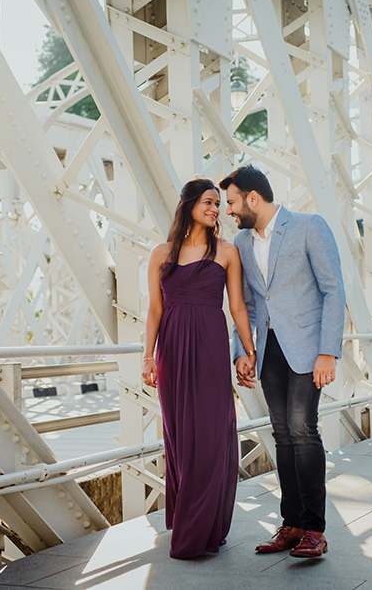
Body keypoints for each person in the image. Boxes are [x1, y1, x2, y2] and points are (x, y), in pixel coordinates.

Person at [220, 164, 345, 559]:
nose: (229, 211)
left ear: (253, 197)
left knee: (302, 428)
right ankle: (291, 525)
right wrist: (243, 352)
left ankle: (315, 530)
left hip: (309, 347)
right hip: (269, 350)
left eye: (232, 202)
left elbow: (333, 290)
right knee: (282, 433)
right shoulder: (241, 243)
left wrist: (328, 351)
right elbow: (250, 305)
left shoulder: (309, 226)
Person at [141, 178, 256, 559]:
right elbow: (155, 310)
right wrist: (147, 356)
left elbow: (238, 307)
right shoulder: (161, 253)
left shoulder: (226, 252)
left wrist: (248, 352)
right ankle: (193, 521)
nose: (216, 208)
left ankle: (199, 529)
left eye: (219, 203)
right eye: (209, 201)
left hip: (209, 346)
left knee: (210, 435)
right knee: (180, 438)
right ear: (189, 204)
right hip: (171, 350)